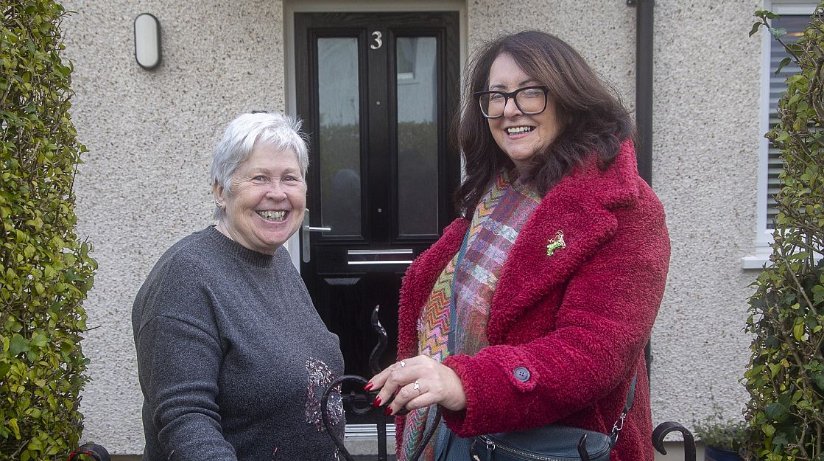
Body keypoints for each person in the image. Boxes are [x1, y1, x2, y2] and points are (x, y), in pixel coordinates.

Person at [367, 30, 670, 461]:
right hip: (461, 442)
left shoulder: (625, 208)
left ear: (569, 99)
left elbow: (594, 351)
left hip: (556, 448)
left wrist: (465, 383)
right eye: (496, 96)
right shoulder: (494, 199)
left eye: (529, 93)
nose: (509, 110)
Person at [132, 112, 344, 460]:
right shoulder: (185, 277)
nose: (277, 194)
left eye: (290, 178)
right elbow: (186, 423)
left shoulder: (276, 261)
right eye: (259, 178)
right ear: (220, 190)